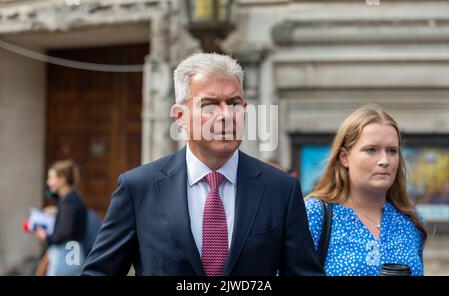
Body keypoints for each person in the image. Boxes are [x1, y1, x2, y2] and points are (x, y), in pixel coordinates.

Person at [82, 53, 323, 276]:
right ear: (180, 117)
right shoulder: (138, 188)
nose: (226, 115)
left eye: (234, 103)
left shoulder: (281, 190)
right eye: (209, 105)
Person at [305, 104, 427, 276]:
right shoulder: (316, 213)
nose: (384, 160)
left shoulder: (410, 220)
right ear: (345, 157)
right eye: (371, 150)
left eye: (392, 151)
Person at [35, 160, 88, 275]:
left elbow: (64, 232)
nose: (48, 182)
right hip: (73, 252)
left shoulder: (68, 201)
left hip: (66, 254)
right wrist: (58, 211)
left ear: (62, 179)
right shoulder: (73, 199)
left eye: (51, 178)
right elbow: (48, 193)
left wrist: (46, 236)